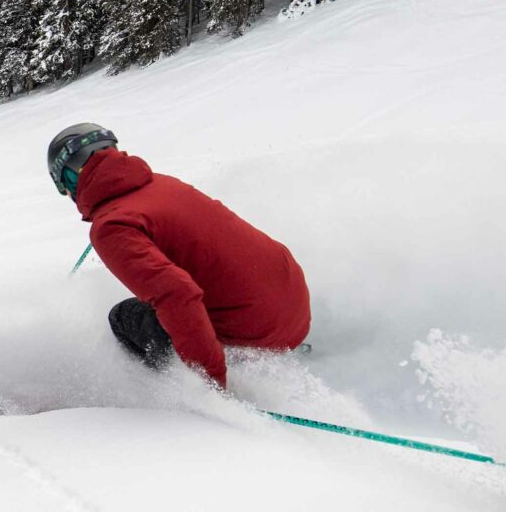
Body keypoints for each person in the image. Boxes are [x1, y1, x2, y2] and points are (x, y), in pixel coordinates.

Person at [47, 123, 310, 388]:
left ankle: (173, 388)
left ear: (70, 178)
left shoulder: (112, 227)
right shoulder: (161, 183)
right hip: (293, 306)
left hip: (257, 331)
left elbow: (176, 295)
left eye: (63, 187)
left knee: (125, 317)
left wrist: (210, 384)